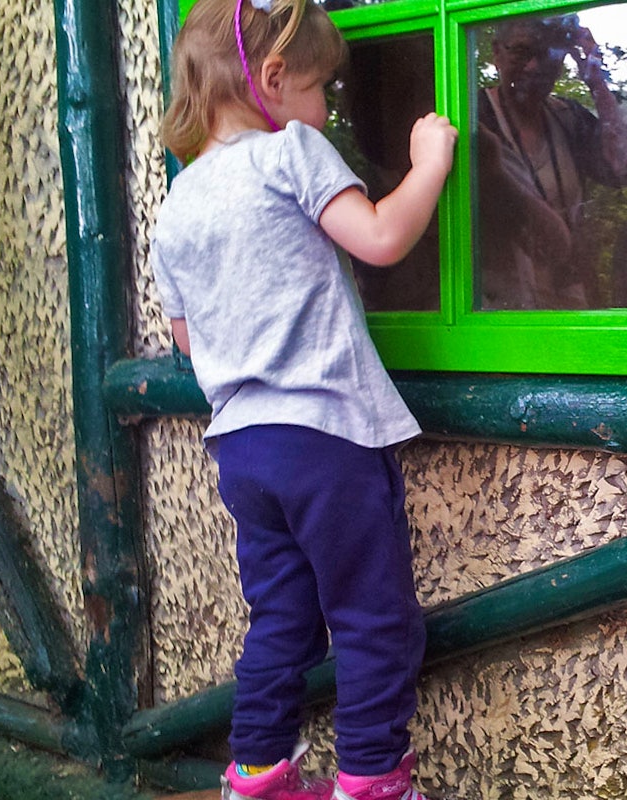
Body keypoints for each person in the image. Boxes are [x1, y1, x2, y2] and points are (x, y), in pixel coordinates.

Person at [152, 1, 456, 799]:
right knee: (373, 617)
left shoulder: (176, 204)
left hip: (242, 450)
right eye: (321, 87)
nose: (325, 108)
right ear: (274, 77)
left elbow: (187, 338)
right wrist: (429, 163)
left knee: (281, 617)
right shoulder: (290, 151)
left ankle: (255, 773)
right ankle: (372, 779)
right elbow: (381, 237)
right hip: (324, 434)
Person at [476, 15, 627, 309]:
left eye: (546, 55)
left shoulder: (567, 117)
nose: (533, 66)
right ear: (497, 53)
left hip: (568, 294)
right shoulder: (474, 117)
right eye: (521, 51)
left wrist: (596, 78)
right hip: (498, 304)